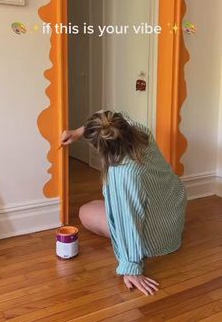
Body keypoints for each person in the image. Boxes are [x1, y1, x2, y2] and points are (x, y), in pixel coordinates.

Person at [61, 110, 187, 295]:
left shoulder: (123, 174)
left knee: (85, 212)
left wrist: (131, 267)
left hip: (155, 239)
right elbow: (105, 115)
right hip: (173, 216)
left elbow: (128, 219)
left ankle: (135, 257)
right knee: (102, 205)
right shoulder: (140, 132)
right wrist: (78, 132)